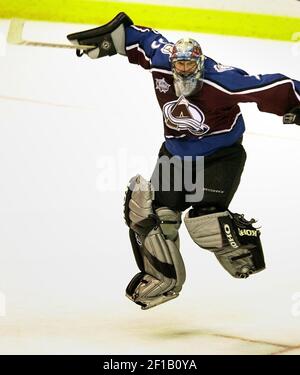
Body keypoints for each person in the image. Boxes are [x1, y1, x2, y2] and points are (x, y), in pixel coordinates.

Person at [68, 13, 300, 310]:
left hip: (220, 156)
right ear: (173, 64)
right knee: (147, 214)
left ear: (201, 65)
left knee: (205, 222)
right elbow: (142, 38)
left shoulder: (221, 81)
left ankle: (244, 245)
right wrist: (111, 39)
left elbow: (270, 86)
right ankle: (162, 279)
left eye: (191, 65)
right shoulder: (161, 64)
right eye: (181, 65)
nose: (185, 70)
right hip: (175, 156)